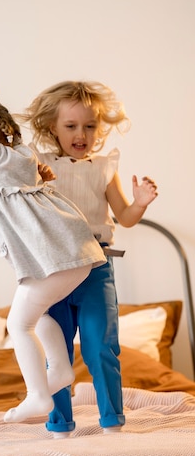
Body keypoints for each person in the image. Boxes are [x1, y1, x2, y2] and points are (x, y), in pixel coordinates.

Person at [0, 69, 106, 423]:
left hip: (61, 258)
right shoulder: (18, 151)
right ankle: (59, 370)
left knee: (18, 325)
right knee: (39, 314)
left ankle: (37, 395)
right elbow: (4, 123)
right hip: (76, 255)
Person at [23, 80, 158, 436]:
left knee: (101, 349)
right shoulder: (38, 165)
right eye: (71, 126)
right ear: (52, 126)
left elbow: (124, 217)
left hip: (96, 268)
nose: (81, 134)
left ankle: (112, 423)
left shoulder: (103, 167)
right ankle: (59, 424)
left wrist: (140, 202)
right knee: (57, 354)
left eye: (90, 126)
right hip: (52, 270)